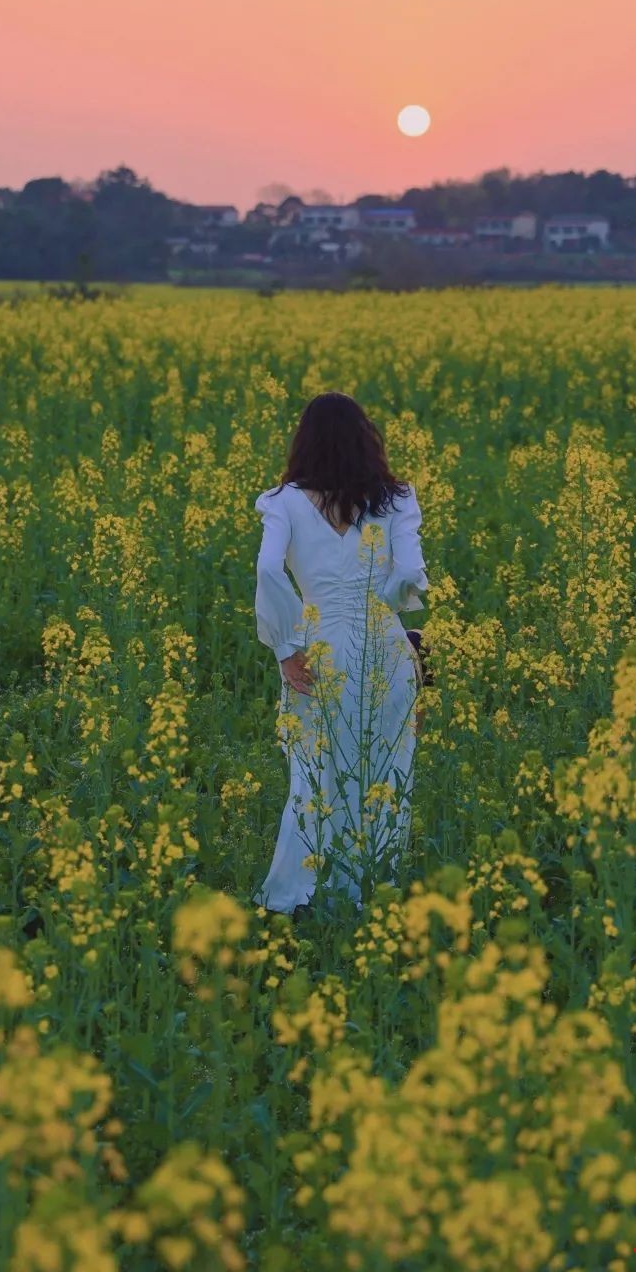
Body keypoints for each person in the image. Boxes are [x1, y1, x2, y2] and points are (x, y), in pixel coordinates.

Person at [251, 392, 429, 917]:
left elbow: (266, 570)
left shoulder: (282, 502)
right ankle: (370, 896)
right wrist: (387, 607)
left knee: (314, 775)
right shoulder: (396, 499)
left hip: (318, 653)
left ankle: (295, 898)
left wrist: (286, 647)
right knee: (385, 777)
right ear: (366, 440)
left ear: (303, 442)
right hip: (387, 652)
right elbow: (409, 576)